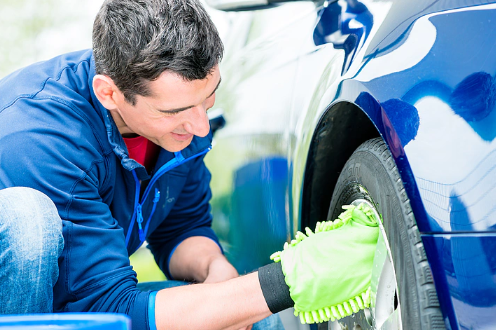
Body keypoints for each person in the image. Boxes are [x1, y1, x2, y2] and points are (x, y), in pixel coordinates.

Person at [0, 0, 380, 329]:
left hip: (76, 294)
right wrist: (285, 281)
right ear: (109, 93)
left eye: (209, 97)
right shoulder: (39, 137)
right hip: (22, 300)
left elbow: (180, 228)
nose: (200, 127)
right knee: (27, 220)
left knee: (245, 314)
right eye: (176, 111)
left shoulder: (177, 124)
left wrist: (215, 268)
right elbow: (104, 308)